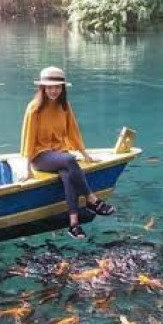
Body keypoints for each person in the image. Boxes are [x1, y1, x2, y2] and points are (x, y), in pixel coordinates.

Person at [20, 66, 116, 239]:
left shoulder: (64, 107)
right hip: (40, 156)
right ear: (43, 88)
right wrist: (27, 169)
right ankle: (92, 200)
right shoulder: (34, 108)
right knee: (70, 161)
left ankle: (73, 224)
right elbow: (29, 139)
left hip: (59, 155)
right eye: (49, 87)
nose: (53, 91)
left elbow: (73, 132)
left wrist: (85, 155)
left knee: (67, 174)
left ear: (62, 88)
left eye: (57, 87)